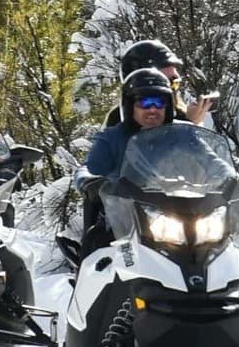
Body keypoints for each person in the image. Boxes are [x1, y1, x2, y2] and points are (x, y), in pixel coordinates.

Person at [73, 68, 178, 255]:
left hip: (179, 215)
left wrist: (230, 178)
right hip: (125, 222)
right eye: (145, 102)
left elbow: (211, 161)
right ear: (130, 106)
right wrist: (90, 182)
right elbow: (88, 168)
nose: (153, 108)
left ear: (168, 106)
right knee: (97, 250)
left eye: (159, 102)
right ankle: (88, 278)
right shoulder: (113, 138)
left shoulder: (183, 136)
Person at [103, 40, 214, 128]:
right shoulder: (121, 121)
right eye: (168, 83)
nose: (171, 90)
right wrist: (189, 124)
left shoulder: (176, 112)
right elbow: (147, 151)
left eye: (176, 83)